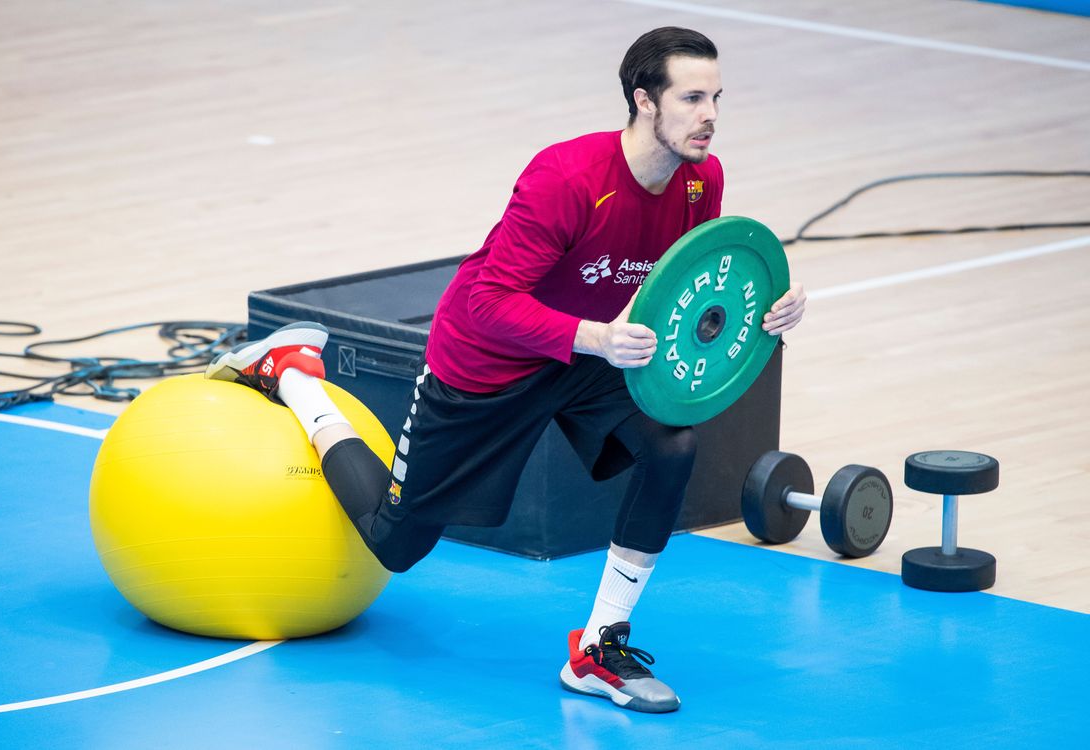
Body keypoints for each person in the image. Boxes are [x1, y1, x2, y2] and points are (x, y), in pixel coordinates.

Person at [207, 26, 806, 714]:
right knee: (394, 543)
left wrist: (771, 304)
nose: (710, 116)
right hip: (487, 361)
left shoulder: (702, 181)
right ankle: (293, 378)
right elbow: (488, 302)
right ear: (645, 100)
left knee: (671, 445)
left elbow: (693, 289)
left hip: (587, 354)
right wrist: (596, 337)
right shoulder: (568, 179)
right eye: (692, 98)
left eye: (717, 98)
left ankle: (598, 649)